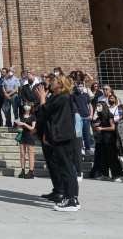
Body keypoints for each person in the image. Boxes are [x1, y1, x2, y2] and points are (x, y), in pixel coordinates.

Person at [36, 75, 81, 212]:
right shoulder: (58, 97)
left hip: (62, 137)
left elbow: (44, 111)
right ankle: (69, 197)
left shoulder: (63, 97)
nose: (51, 82)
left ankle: (71, 200)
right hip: (59, 137)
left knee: (67, 169)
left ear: (60, 85)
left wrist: (42, 99)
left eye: (54, 81)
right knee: (64, 168)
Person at [16, 102, 37, 179]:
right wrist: (18, 125)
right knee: (22, 153)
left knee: (30, 153)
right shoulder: (21, 116)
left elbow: (32, 128)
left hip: (30, 136)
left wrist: (24, 124)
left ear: (31, 107)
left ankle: (31, 171)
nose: (26, 106)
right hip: (22, 135)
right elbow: (18, 127)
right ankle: (22, 170)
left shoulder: (33, 117)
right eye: (25, 105)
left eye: (28, 105)